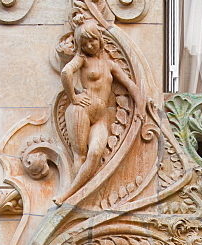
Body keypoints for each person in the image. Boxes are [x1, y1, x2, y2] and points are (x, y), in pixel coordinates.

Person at [57, 19, 145, 204]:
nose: (90, 45)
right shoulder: (82, 60)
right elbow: (66, 72)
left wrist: (141, 108)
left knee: (96, 152)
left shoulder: (110, 65)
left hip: (100, 116)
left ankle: (74, 193)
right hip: (81, 110)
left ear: (99, 39)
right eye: (85, 43)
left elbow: (130, 85)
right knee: (79, 155)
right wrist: (73, 97)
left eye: (93, 41)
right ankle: (70, 196)